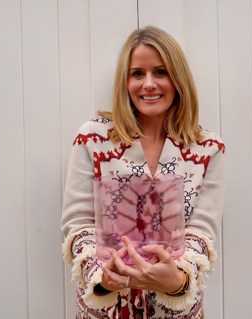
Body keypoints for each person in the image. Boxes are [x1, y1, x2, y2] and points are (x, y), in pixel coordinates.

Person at [61, 25, 226, 319]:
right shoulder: (93, 139)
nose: (148, 83)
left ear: (178, 79)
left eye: (160, 72)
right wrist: (101, 277)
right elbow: (77, 224)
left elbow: (202, 233)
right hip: (106, 310)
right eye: (138, 73)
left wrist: (178, 281)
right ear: (125, 81)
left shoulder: (208, 148)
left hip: (176, 311)